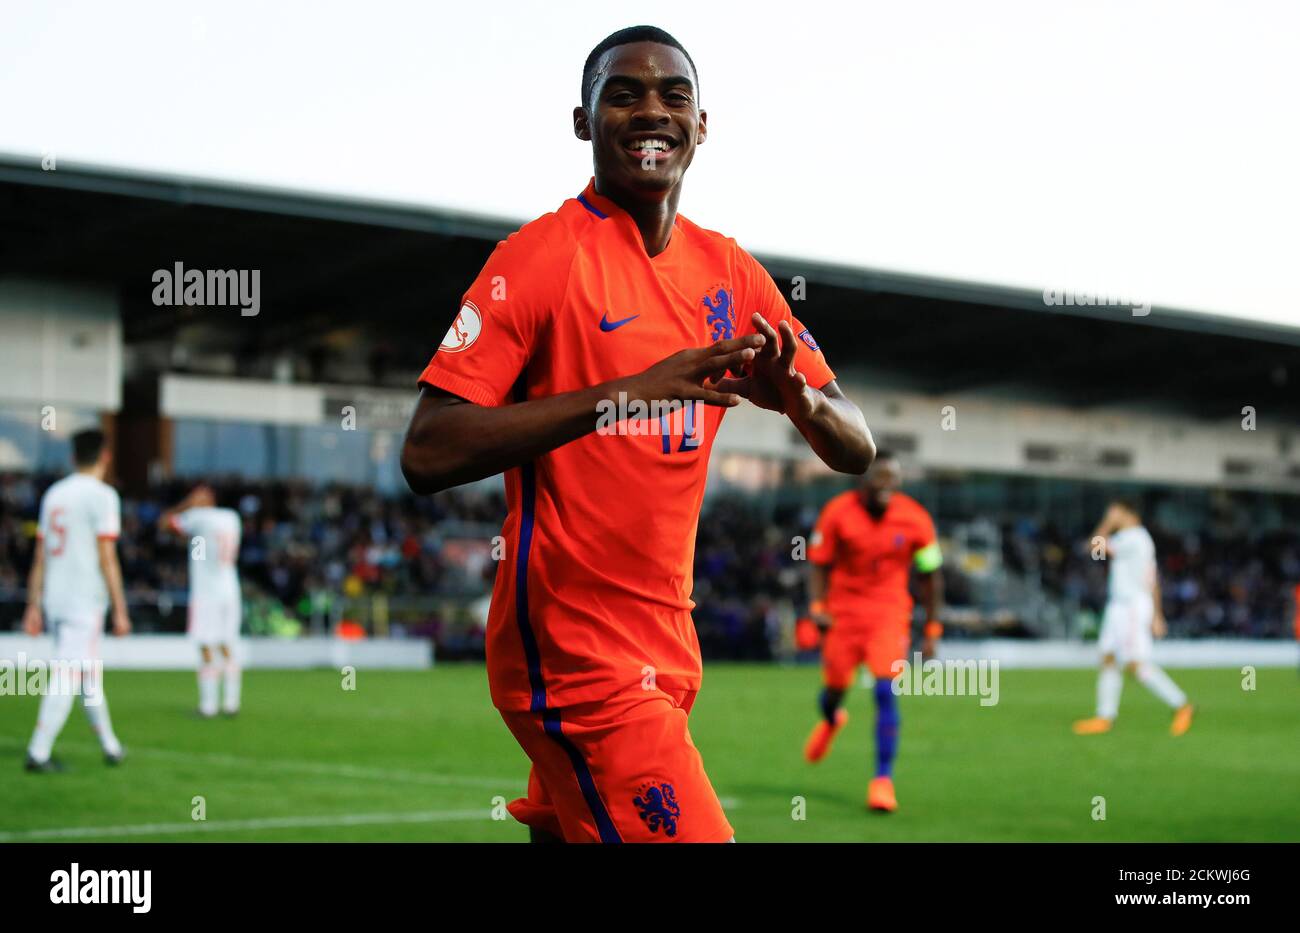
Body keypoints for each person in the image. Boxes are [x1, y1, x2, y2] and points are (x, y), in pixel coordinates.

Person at [400, 25, 874, 842]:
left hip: (668, 640)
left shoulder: (731, 271)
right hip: (574, 652)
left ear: (700, 123)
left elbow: (856, 444)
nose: (650, 111)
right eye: (623, 94)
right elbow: (428, 449)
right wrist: (624, 394)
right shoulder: (539, 259)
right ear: (583, 122)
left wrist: (799, 398)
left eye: (672, 95)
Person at [802, 451, 943, 812]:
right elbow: (819, 564)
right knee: (833, 692)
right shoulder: (837, 512)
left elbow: (930, 575)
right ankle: (833, 719)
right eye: (879, 478)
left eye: (892, 479)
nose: (886, 486)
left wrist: (932, 627)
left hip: (889, 614)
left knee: (884, 688)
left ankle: (882, 780)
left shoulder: (915, 518)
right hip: (843, 615)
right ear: (862, 481)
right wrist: (817, 608)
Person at [23, 428, 129, 771]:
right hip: (85, 600)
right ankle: (38, 752)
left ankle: (111, 746)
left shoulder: (54, 494)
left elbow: (40, 555)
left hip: (56, 598)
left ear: (73, 457)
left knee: (87, 676)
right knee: (68, 675)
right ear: (105, 456)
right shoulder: (102, 495)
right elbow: (106, 556)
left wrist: (33, 604)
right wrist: (121, 609)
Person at [1073, 499, 1195, 737]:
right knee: (1108, 657)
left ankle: (1181, 704)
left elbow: (1095, 550)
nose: (1110, 514)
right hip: (1119, 606)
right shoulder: (1135, 539)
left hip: (1130, 606)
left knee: (1135, 664)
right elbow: (1152, 578)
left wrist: (1106, 524)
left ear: (1126, 512)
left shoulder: (1134, 538)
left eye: (1113, 511)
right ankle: (1105, 717)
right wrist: (1157, 614)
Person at [160, 485, 244, 717]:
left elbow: (165, 523)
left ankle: (208, 705)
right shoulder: (231, 517)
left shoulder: (198, 517)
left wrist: (185, 504)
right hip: (230, 589)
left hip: (207, 592)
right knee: (227, 645)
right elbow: (198, 544)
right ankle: (231, 702)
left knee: (206, 645)